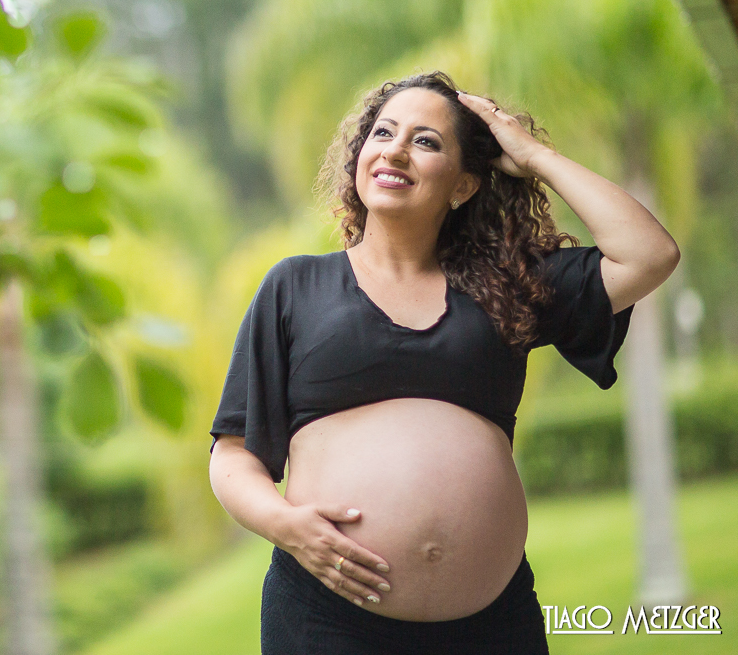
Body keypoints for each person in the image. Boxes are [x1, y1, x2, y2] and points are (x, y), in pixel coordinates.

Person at [208, 71, 679, 655]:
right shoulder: (295, 286)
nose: (396, 150)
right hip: (328, 617)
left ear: (462, 186)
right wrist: (287, 528)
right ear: (360, 158)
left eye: (426, 141)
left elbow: (650, 254)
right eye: (383, 132)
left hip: (492, 624)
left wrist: (535, 156)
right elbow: (232, 454)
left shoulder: (507, 285)